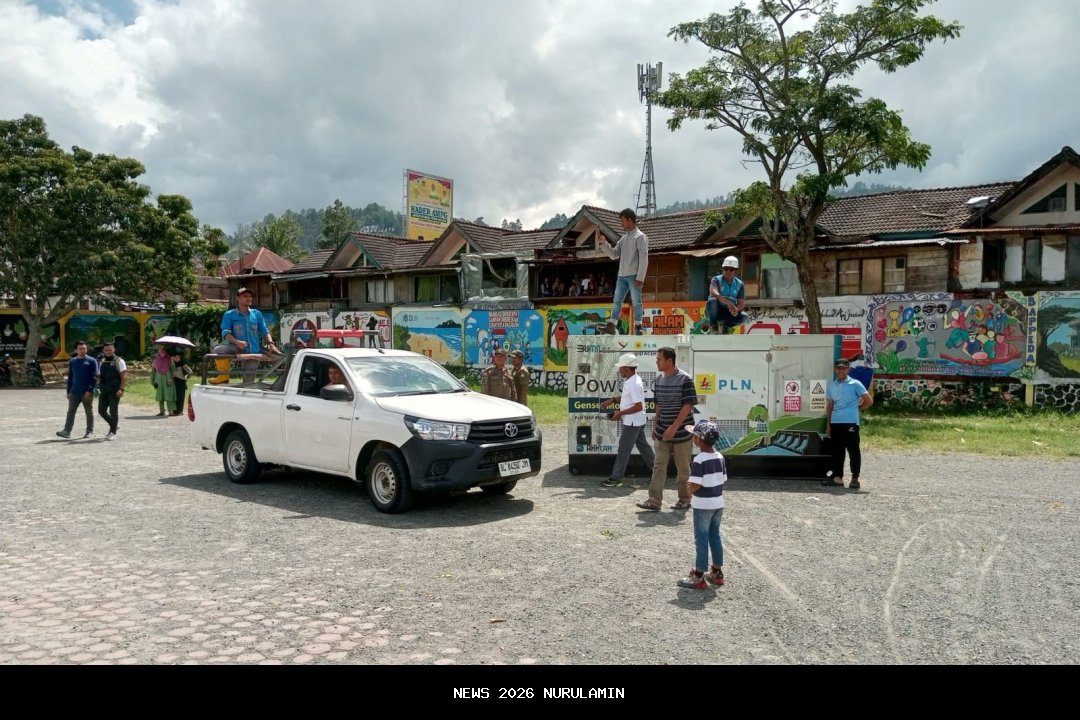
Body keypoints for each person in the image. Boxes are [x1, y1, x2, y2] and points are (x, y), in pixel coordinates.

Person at [637, 346, 695, 512]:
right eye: (657, 359)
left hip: (682, 434)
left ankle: (684, 499)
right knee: (658, 466)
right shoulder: (658, 380)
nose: (657, 362)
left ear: (670, 361)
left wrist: (674, 427)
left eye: (659, 359)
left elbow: (688, 405)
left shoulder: (685, 379)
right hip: (663, 433)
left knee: (683, 469)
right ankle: (654, 501)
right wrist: (656, 425)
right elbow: (658, 404)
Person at [676, 420, 728, 590]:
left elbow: (696, 485)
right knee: (715, 536)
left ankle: (698, 576)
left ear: (698, 439)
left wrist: (689, 487)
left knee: (701, 539)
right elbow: (723, 479)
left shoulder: (699, 459)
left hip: (703, 505)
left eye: (694, 435)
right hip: (718, 503)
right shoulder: (720, 457)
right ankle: (717, 572)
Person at [599, 353, 654, 488]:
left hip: (632, 422)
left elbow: (638, 406)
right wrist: (613, 400)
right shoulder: (633, 380)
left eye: (621, 368)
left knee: (623, 450)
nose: (620, 370)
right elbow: (628, 398)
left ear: (628, 368)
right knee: (644, 448)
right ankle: (659, 473)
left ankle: (616, 478)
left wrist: (620, 413)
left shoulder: (633, 383)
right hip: (636, 421)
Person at [822, 359, 873, 490]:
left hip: (851, 422)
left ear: (848, 370)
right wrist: (828, 423)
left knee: (853, 450)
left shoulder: (855, 384)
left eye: (843, 368)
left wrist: (858, 408)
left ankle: (855, 478)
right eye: (838, 368)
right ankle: (838, 478)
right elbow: (830, 405)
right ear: (835, 369)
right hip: (836, 422)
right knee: (837, 452)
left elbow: (868, 401)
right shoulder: (832, 386)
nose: (841, 371)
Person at [598, 209, 649, 335]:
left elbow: (644, 258)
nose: (622, 223)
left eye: (623, 220)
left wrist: (640, 277)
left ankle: (638, 326)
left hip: (634, 275)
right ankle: (612, 325)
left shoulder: (641, 237)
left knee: (636, 301)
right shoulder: (624, 238)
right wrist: (604, 243)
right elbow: (614, 255)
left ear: (630, 219)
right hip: (622, 275)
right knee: (617, 301)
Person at [214, 287, 280, 382]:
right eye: (245, 296)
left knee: (248, 381)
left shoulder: (256, 314)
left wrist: (271, 343)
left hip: (253, 350)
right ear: (238, 298)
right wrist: (237, 342)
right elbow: (225, 333)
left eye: (250, 296)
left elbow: (265, 330)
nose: (248, 298)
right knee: (219, 349)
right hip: (236, 347)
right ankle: (224, 376)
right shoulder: (229, 314)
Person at [57, 340, 99, 439]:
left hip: (87, 392)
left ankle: (89, 431)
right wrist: (68, 392)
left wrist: (90, 390)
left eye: (84, 348)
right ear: (76, 350)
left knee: (89, 412)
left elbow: (95, 377)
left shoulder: (92, 361)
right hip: (74, 391)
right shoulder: (73, 361)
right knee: (70, 411)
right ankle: (67, 431)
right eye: (80, 349)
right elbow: (70, 377)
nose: (82, 350)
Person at [706, 256, 748, 334]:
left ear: (735, 271)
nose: (728, 271)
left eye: (731, 269)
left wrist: (736, 309)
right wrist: (728, 303)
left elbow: (741, 302)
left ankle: (726, 327)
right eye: (726, 269)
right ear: (722, 269)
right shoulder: (716, 280)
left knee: (744, 317)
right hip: (715, 312)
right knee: (713, 300)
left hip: (729, 313)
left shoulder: (740, 284)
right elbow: (713, 292)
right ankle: (714, 327)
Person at [96, 342, 127, 440]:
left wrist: (121, 389)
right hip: (104, 389)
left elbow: (124, 376)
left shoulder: (119, 361)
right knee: (101, 410)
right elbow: (101, 375)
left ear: (114, 350)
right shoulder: (102, 361)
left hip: (115, 390)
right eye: (106, 350)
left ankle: (113, 432)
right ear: (103, 351)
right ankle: (114, 425)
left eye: (110, 349)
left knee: (113, 412)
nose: (108, 351)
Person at [151, 347, 176, 417]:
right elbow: (153, 372)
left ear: (166, 352)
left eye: (163, 351)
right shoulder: (156, 361)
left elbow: (173, 370)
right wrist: (153, 381)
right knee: (160, 396)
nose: (162, 352)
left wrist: (171, 378)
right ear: (158, 352)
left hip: (168, 380)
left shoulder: (170, 360)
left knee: (169, 396)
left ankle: (170, 411)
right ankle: (162, 411)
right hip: (159, 381)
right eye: (161, 351)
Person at [170, 348, 192, 416]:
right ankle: (175, 411)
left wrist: (187, 376)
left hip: (181, 382)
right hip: (174, 382)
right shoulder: (172, 364)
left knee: (180, 397)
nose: (177, 358)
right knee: (175, 397)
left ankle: (180, 411)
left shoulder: (183, 364)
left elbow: (190, 372)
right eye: (175, 357)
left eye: (178, 357)